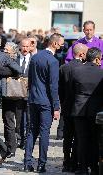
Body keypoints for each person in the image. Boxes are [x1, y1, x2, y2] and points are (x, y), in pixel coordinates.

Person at [24, 33, 63, 173]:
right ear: (54, 44)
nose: (62, 46)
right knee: (44, 132)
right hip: (45, 101)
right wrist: (56, 106)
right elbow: (53, 86)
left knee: (31, 131)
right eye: (61, 44)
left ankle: (27, 161)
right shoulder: (52, 61)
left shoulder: (35, 57)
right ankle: (41, 164)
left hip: (33, 99)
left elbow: (30, 80)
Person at [70, 48, 103, 175]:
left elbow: (71, 91)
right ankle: (94, 168)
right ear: (97, 59)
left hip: (78, 109)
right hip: (96, 111)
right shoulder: (101, 74)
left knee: (81, 139)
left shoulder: (76, 71)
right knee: (95, 140)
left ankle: (82, 168)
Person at [58, 43, 88, 173]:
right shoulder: (84, 68)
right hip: (79, 107)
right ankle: (75, 162)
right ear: (81, 54)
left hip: (66, 106)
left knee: (67, 137)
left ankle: (66, 162)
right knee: (78, 136)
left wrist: (63, 102)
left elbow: (60, 89)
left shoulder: (64, 68)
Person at [2, 38, 31, 154]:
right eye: (23, 46)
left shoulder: (33, 60)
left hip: (27, 94)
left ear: (30, 47)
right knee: (15, 118)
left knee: (24, 120)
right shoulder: (15, 59)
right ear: (19, 47)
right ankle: (16, 140)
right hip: (14, 92)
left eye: (27, 46)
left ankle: (24, 141)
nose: (25, 49)